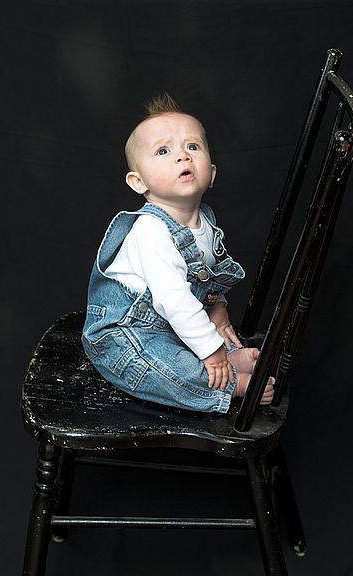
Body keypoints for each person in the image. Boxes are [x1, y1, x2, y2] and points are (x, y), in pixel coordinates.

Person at [81, 93, 274, 413]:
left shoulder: (205, 221)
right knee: (163, 370)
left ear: (211, 173)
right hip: (124, 336)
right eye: (164, 150)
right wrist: (212, 351)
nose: (182, 157)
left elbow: (205, 279)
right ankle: (233, 383)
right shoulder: (151, 231)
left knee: (185, 345)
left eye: (192, 147)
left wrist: (217, 306)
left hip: (171, 326)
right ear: (138, 182)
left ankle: (229, 361)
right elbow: (174, 300)